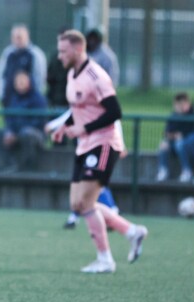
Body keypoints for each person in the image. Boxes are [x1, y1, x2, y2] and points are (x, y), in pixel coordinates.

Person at [50, 30, 148, 273]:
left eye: (63, 51)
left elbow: (115, 112)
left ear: (77, 49)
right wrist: (66, 126)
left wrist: (84, 127)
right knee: (78, 204)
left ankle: (105, 260)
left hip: (103, 142)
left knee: (86, 202)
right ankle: (132, 232)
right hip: (84, 143)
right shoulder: (72, 74)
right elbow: (80, 109)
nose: (60, 56)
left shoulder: (96, 75)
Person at [0, 71, 48, 171]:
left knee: (27, 133)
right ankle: (10, 162)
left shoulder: (38, 99)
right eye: (17, 82)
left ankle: (26, 167)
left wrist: (17, 134)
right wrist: (9, 132)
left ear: (29, 81)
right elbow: (9, 120)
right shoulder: (13, 99)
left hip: (35, 134)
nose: (19, 84)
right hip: (16, 133)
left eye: (22, 81)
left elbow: (39, 122)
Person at [156, 92, 194, 182]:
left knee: (180, 144)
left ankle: (187, 170)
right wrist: (170, 137)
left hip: (187, 144)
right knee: (163, 145)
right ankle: (163, 170)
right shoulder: (174, 116)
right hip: (174, 142)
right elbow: (167, 132)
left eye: (182, 104)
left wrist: (181, 136)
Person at [0, 24, 47, 103]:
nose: (17, 40)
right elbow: (2, 75)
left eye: (20, 37)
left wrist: (36, 98)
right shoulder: (8, 53)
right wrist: (1, 95)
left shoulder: (35, 54)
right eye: (15, 37)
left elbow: (40, 77)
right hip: (9, 99)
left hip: (30, 102)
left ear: (27, 37)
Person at [46, 28, 70, 108]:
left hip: (70, 102)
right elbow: (49, 79)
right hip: (56, 100)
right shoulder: (54, 57)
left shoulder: (77, 59)